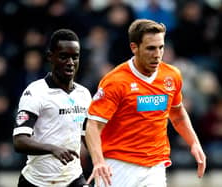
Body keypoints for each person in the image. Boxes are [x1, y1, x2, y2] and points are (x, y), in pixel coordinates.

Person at [85, 19, 206, 187]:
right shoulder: (115, 81)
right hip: (119, 165)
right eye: (150, 48)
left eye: (161, 47)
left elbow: (177, 113)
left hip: (155, 165)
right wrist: (98, 161)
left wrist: (194, 143)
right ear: (134, 48)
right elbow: (92, 125)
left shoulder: (172, 76)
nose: (157, 54)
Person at [12, 29, 92, 187]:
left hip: (73, 178)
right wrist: (53, 149)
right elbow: (19, 141)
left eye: (75, 57)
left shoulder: (84, 94)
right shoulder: (35, 92)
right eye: (63, 56)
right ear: (50, 57)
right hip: (37, 181)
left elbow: (87, 136)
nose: (70, 62)